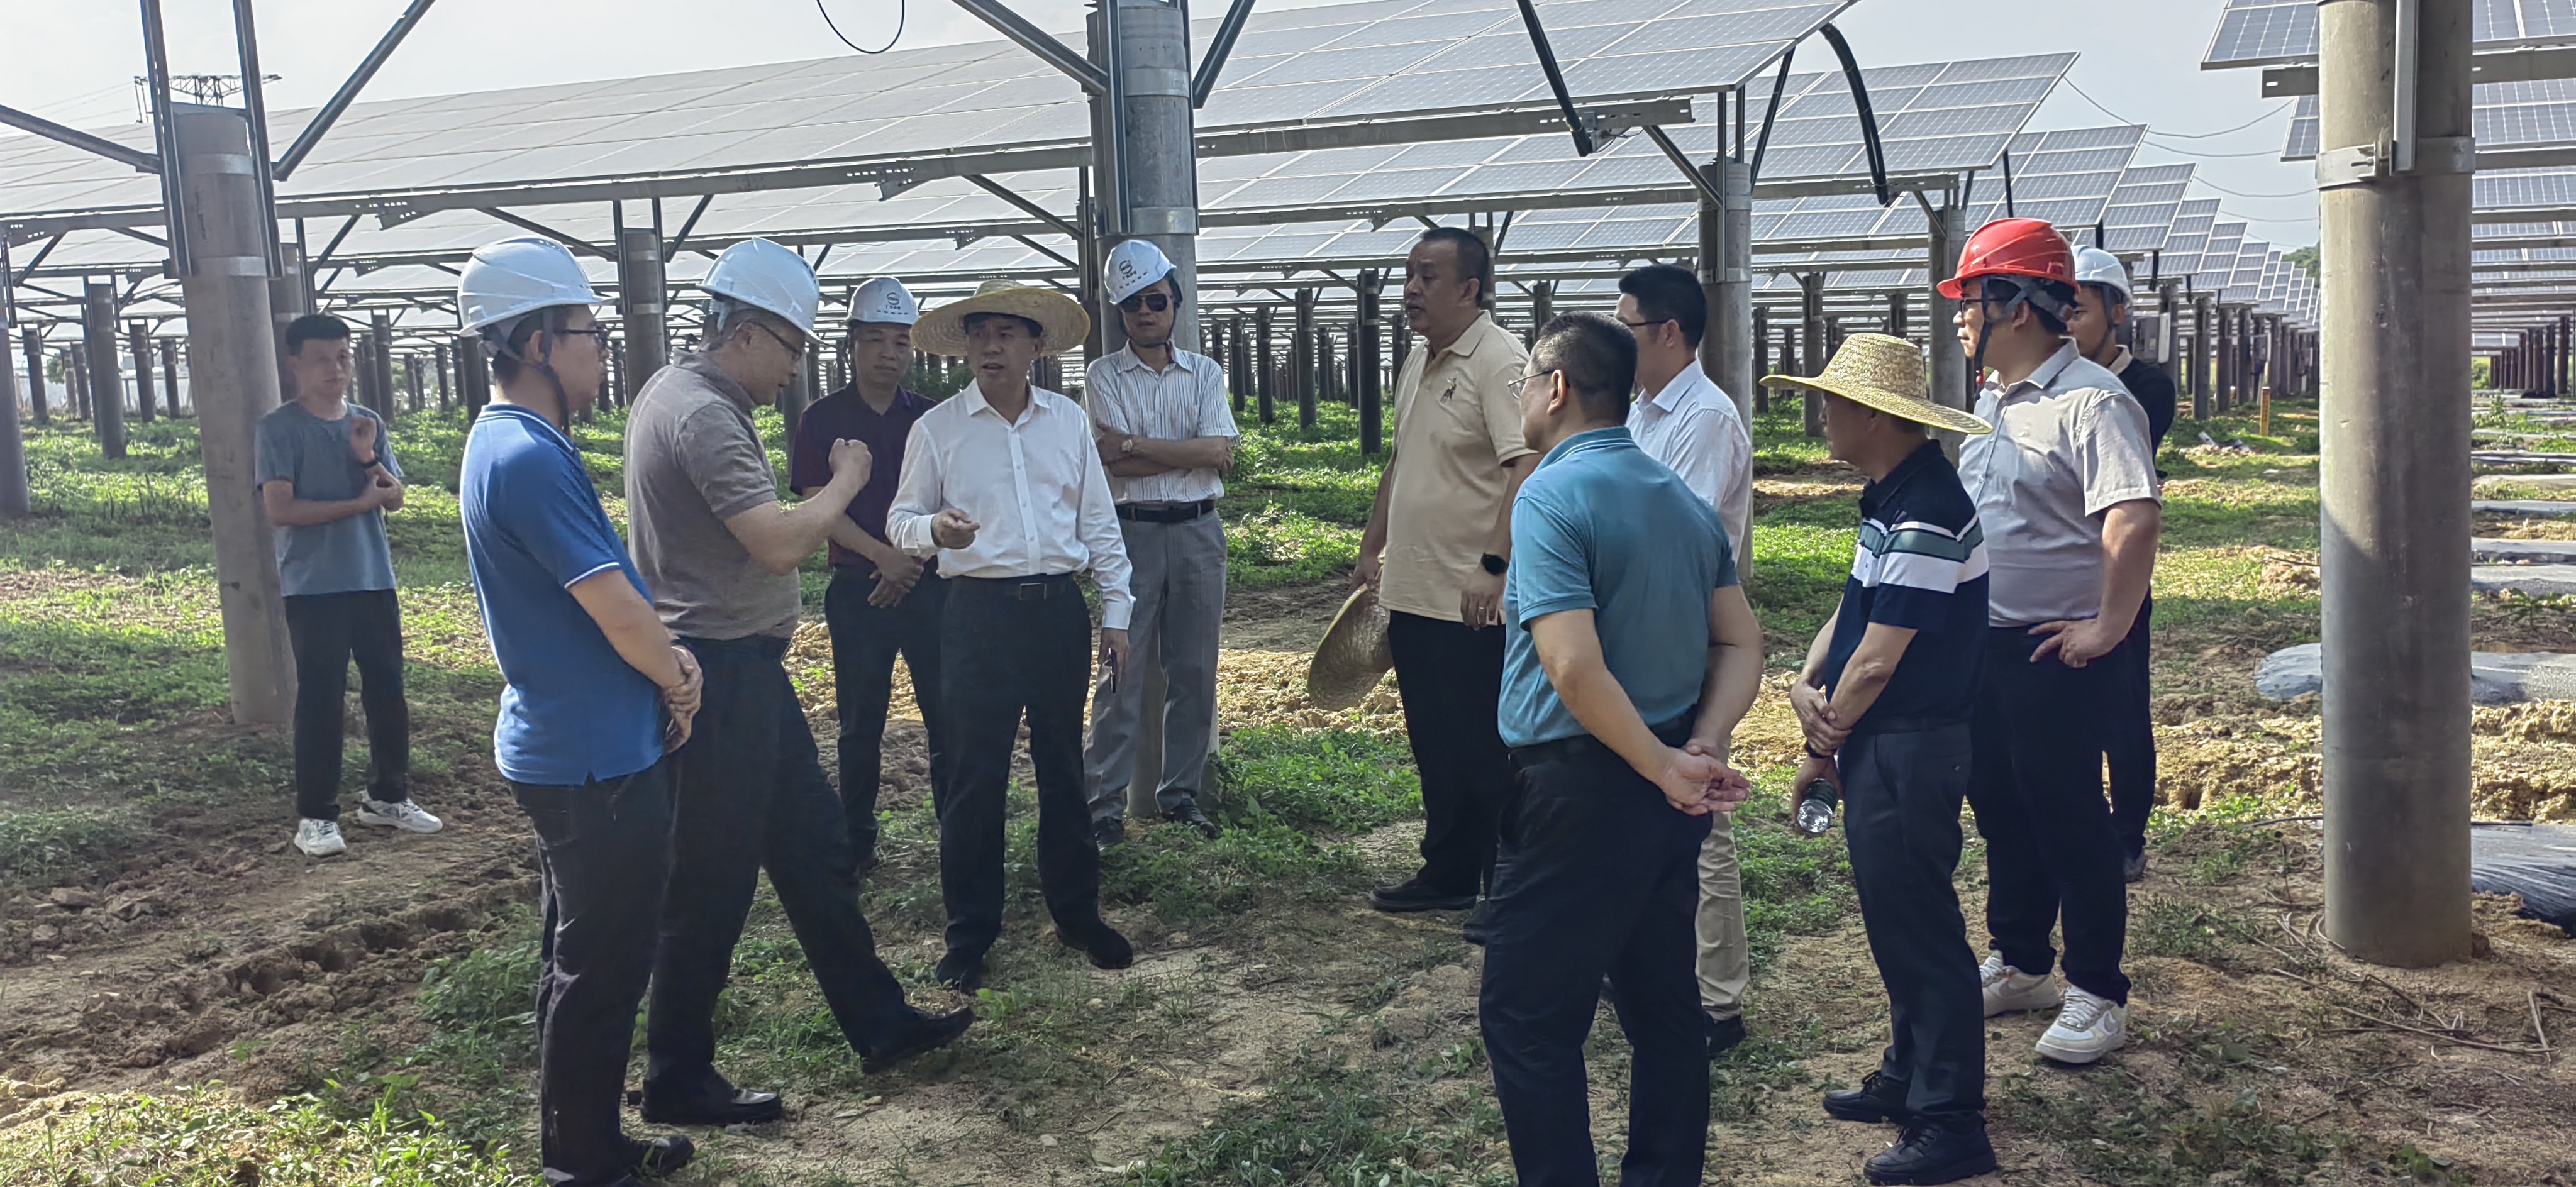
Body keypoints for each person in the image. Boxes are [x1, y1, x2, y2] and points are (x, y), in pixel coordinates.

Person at [626, 238, 972, 1127]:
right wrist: (847, 480)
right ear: (745, 333)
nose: (793, 369)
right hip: (719, 674)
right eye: (789, 347)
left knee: (815, 849)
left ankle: (880, 1022)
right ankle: (676, 1076)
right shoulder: (703, 415)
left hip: (743, 669)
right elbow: (780, 543)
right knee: (710, 882)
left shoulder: (681, 394)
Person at [1480, 312, 1763, 1187]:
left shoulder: (1551, 496)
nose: (1522, 395)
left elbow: (1571, 665)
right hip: (1665, 791)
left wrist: (1662, 762)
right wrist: (1695, 746)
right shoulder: (1679, 500)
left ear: (1557, 388)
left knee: (1528, 1019)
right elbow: (1741, 642)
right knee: (1664, 1008)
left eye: (1526, 380)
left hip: (1579, 791)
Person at [454, 235, 700, 1187]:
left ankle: (582, 1145)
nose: (601, 351)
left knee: (583, 958)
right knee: (601, 967)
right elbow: (615, 608)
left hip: (576, 743)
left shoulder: (512, 444)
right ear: (534, 344)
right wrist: (677, 673)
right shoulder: (525, 456)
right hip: (594, 760)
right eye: (587, 334)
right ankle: (584, 1164)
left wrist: (664, 663)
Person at [1769, 333, 1999, 1186]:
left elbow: (1877, 660)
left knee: (1920, 930)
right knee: (1898, 922)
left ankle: (1950, 1119)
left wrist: (1820, 735)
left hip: (1910, 744)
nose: (1822, 415)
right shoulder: (1895, 498)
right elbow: (1855, 612)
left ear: (1872, 415)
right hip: (1885, 740)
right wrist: (1807, 683)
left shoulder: (1927, 509)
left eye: (1832, 402)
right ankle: (1909, 1076)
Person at [1943, 219, 2162, 1066]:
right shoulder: (1993, 402)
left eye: (1972, 300)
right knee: (2003, 808)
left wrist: (2107, 626)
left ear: (2018, 306)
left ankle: (2097, 989)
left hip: (2055, 651)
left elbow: (2132, 517)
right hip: (1989, 644)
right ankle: (2023, 959)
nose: (1961, 317)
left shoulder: (2093, 402)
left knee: (2069, 816)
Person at [886, 279, 1136, 995]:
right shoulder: (938, 429)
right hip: (976, 616)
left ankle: (1078, 914)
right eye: (978, 335)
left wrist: (1116, 613)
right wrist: (934, 531)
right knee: (975, 776)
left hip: (1056, 611)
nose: (990, 347)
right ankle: (969, 934)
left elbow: (1098, 523)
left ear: (1037, 347)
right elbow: (900, 521)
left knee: (1063, 767)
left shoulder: (1066, 422)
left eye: (1006, 334)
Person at [1355, 226, 1535, 916]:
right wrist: (1372, 543)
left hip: (1471, 599)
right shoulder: (1419, 360)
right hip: (1414, 592)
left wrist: (1494, 563)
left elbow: (1526, 464)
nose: (1410, 290)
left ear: (1469, 289)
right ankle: (1450, 872)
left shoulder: (1498, 359)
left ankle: (1504, 889)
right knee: (1436, 743)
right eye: (1408, 275)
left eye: (1427, 276)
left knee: (1484, 749)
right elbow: (1402, 460)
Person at [1615, 262, 1756, 1057]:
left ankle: (1716, 999)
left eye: (1627, 327)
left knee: (1699, 812)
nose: (1618, 340)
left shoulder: (1703, 419)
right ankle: (1654, 969)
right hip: (1646, 638)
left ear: (1669, 332)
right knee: (1648, 803)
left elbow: (1681, 541)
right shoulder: (1640, 412)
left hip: (1690, 640)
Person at [259, 312, 438, 858]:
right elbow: (281, 510)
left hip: (372, 577)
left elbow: (394, 496)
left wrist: (368, 458)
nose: (335, 370)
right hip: (314, 586)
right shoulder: (279, 428)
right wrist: (360, 504)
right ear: (295, 364)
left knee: (388, 689)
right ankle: (316, 816)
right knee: (322, 699)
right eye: (322, 360)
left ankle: (388, 796)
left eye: (342, 358)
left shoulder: (367, 422)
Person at [1082, 240, 1239, 849]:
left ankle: (1180, 796)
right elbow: (1111, 465)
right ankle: (1104, 807)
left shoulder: (1206, 373)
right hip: (1132, 534)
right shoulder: (1102, 375)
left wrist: (1134, 445)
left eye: (1155, 301)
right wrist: (1187, 452)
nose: (1145, 312)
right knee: (1118, 671)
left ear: (1175, 301)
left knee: (1195, 668)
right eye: (1132, 304)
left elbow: (1218, 450)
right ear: (1119, 311)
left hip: (1199, 530)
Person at [791, 277, 947, 873]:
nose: (889, 353)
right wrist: (884, 558)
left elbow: (950, 499)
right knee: (860, 725)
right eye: (876, 340)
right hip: (859, 590)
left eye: (901, 341)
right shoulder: (822, 419)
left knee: (946, 720)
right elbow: (817, 504)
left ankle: (955, 834)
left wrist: (911, 562)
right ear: (852, 344)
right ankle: (856, 845)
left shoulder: (932, 419)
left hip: (929, 585)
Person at [2067, 246, 2176, 883]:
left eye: (2079, 311)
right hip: (2061, 575)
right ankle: (2082, 824)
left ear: (2117, 313)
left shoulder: (2144, 389)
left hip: (2115, 571)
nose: (2067, 324)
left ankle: (2128, 834)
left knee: (2124, 710)